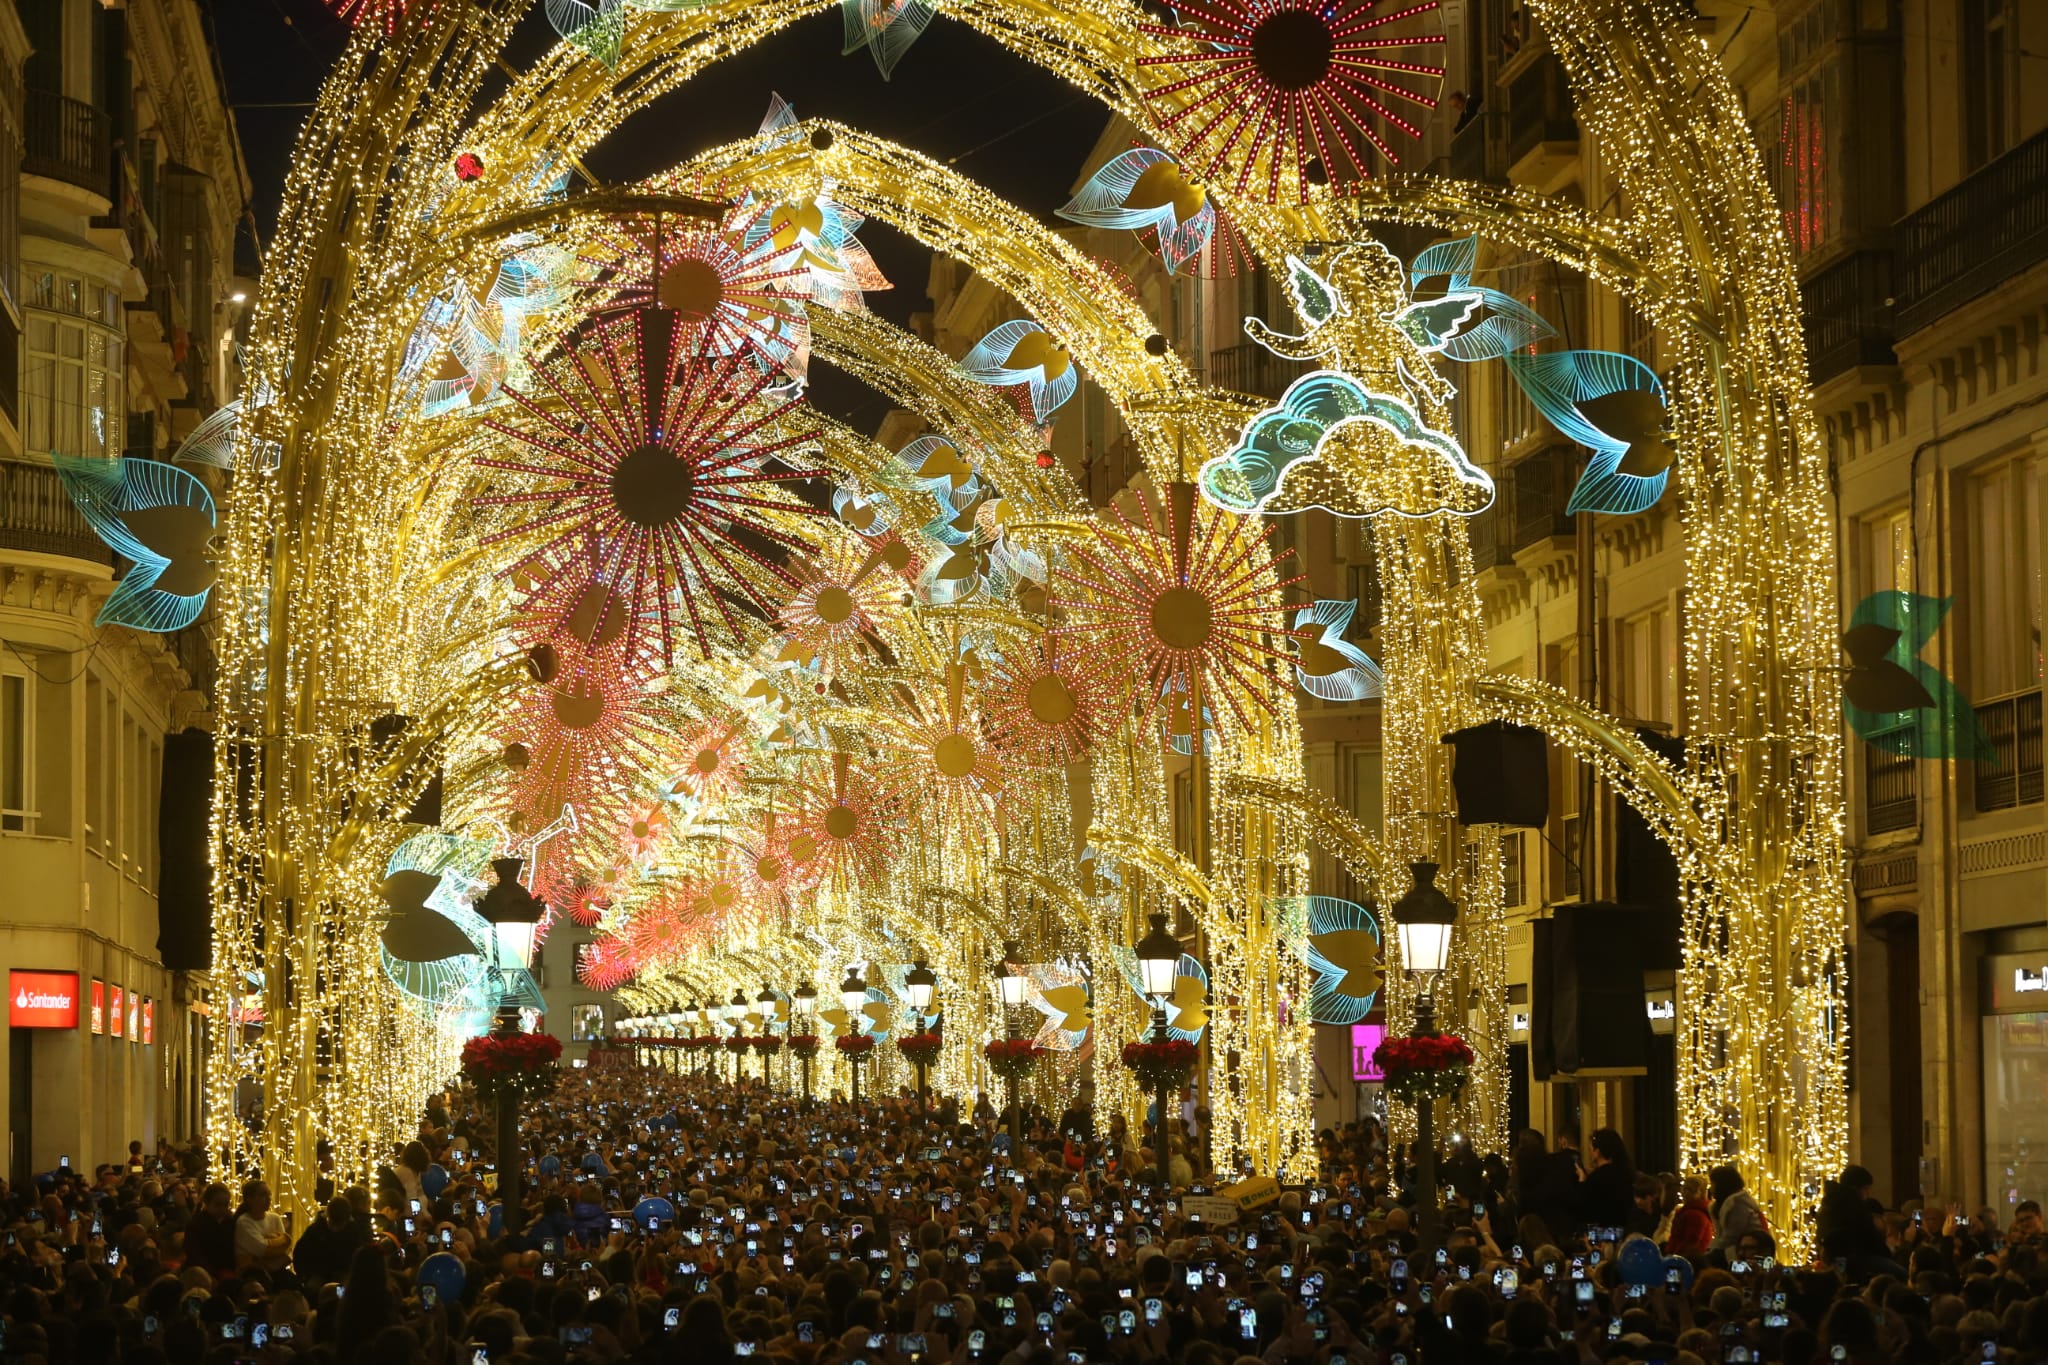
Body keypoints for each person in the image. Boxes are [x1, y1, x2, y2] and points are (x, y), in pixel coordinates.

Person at [1818, 1163, 1906, 1281]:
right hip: (1854, 1258)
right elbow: (1869, 1237)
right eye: (1866, 1188)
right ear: (1857, 1188)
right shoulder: (1854, 1206)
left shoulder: (1829, 1204)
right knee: (1901, 1273)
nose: (1868, 1193)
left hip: (1832, 1256)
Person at [1709, 1162, 1769, 1259]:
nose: (1710, 1187)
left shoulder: (1737, 1204)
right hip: (1734, 1249)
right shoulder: (1720, 1205)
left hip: (1746, 1251)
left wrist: (1713, 1250)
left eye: (1712, 1183)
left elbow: (1732, 1236)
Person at [232, 1178, 289, 1272]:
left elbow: (284, 1247)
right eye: (263, 1195)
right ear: (250, 1199)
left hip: (277, 1269)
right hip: (252, 1271)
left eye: (269, 1194)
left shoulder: (275, 1218)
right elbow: (262, 1249)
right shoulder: (244, 1222)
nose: (269, 1198)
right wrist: (275, 1239)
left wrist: (266, 1239)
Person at [1665, 1171, 1715, 1258]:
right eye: (1684, 1189)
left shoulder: (1695, 1214)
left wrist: (1674, 1255)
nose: (1685, 1193)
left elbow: (1690, 1242)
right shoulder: (1691, 1211)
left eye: (1689, 1190)